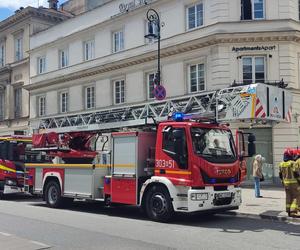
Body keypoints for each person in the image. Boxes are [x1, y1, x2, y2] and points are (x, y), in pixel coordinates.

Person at [279, 149, 300, 218]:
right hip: (294, 183)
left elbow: (280, 175)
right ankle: (293, 212)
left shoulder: (281, 164)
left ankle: (288, 210)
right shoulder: (292, 163)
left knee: (288, 196)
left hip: (286, 183)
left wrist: (282, 181)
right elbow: (296, 173)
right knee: (296, 196)